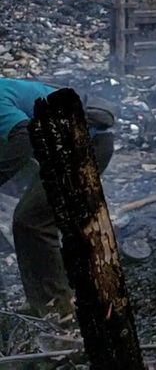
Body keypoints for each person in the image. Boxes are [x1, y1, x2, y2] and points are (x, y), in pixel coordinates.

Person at [0, 79, 115, 319]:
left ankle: (61, 310)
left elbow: (22, 137)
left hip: (85, 143)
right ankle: (45, 304)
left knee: (32, 222)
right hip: (59, 146)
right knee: (28, 221)